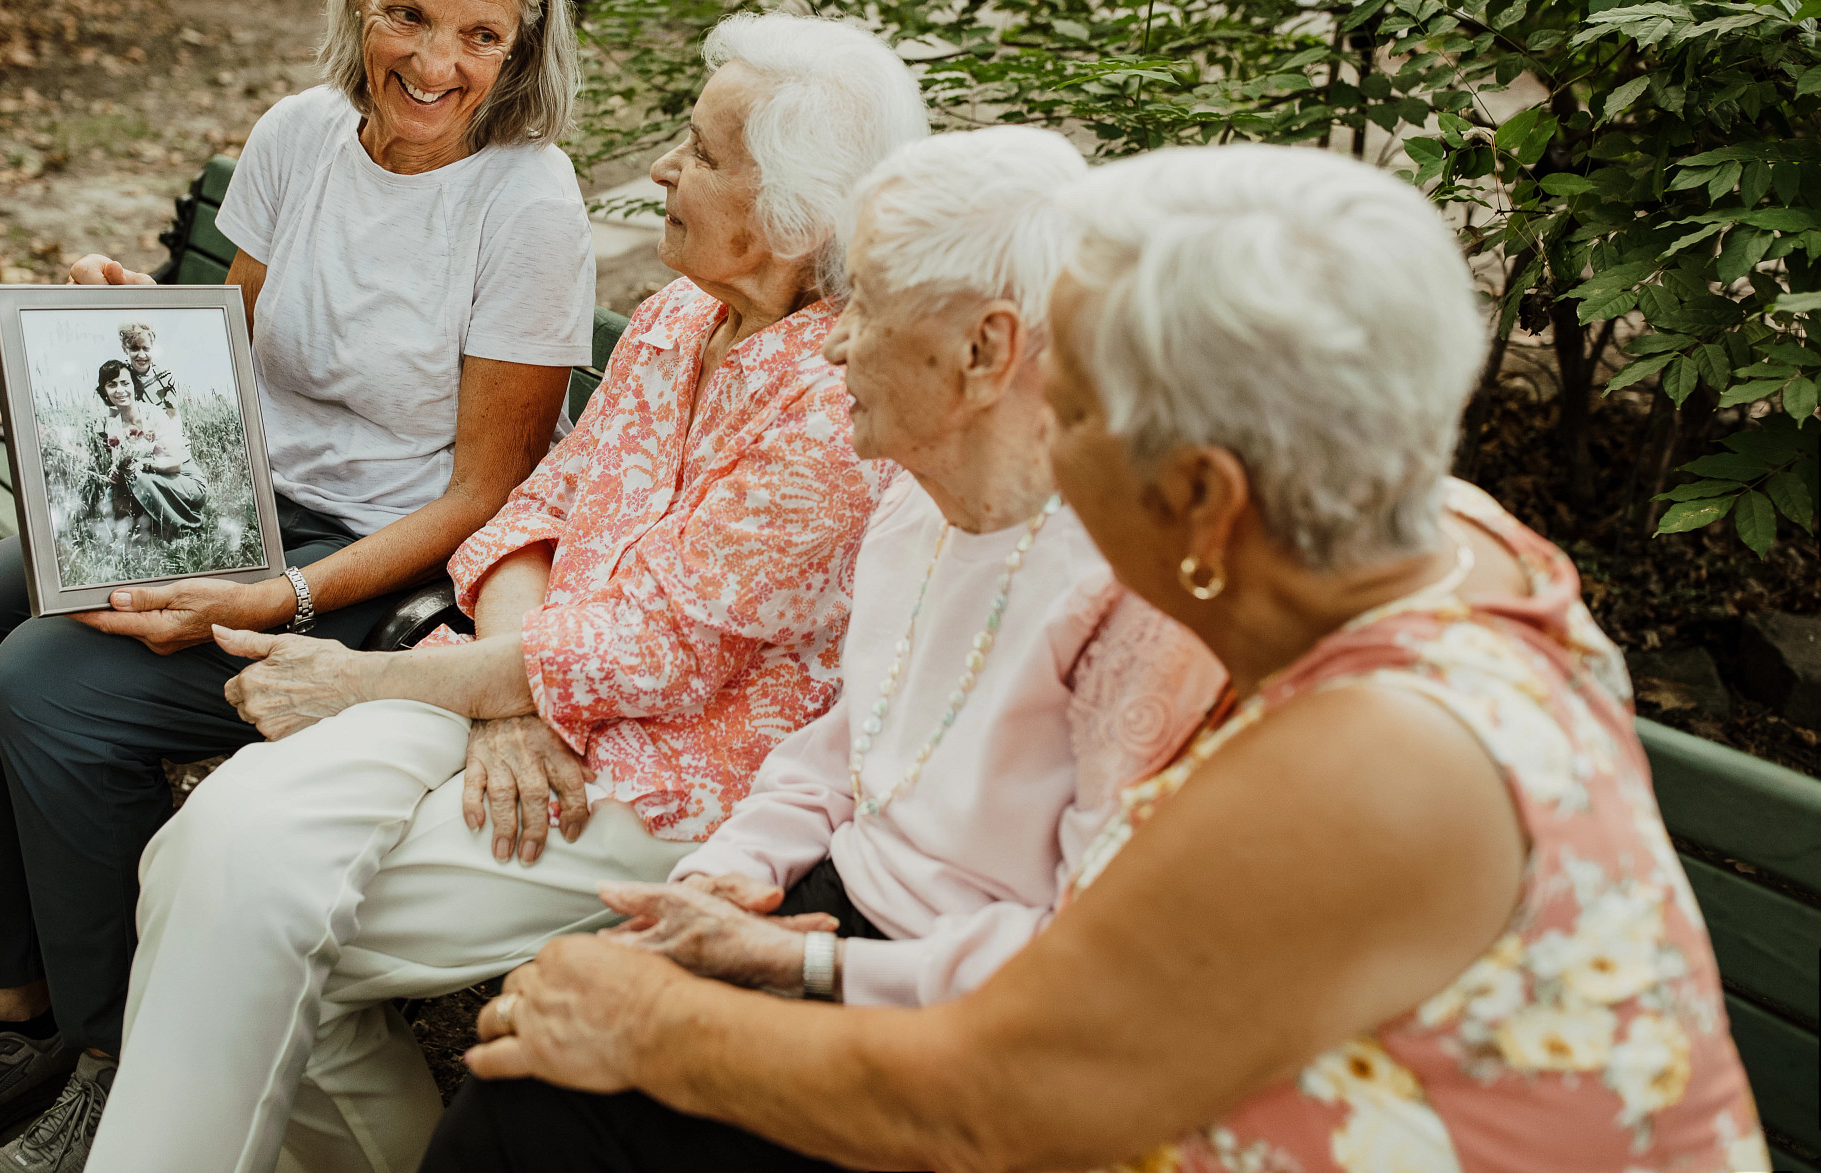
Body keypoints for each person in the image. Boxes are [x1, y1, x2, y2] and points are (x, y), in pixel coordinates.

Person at [431, 144, 1769, 1173]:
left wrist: (643, 1023)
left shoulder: (1389, 756)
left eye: (1068, 410)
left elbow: (993, 1096)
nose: (1039, 446)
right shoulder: (1425, 537)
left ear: (1201, 496)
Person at [0, 0, 594, 1173]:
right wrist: (132, 312)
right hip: (232, 496)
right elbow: (226, 349)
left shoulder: (524, 201)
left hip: (380, 564)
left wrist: (280, 597)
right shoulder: (302, 133)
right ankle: (12, 1020)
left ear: (522, 42)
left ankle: (123, 1065)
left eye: (481, 33)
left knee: (50, 689)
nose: (436, 62)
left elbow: (489, 494)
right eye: (408, 15)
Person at [81, 11, 931, 1173]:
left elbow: (657, 654)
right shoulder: (685, 314)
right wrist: (515, 694)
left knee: (244, 926)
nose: (659, 170)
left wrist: (362, 684)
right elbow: (539, 509)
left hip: (670, 769)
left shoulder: (835, 402)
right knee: (202, 857)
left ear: (792, 215)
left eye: (699, 153)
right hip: (508, 682)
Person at [433, 126, 1229, 1171]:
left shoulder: (1132, 592)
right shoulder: (912, 503)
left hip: (959, 1018)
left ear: (985, 352)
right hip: (820, 909)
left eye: (869, 309)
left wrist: (808, 973)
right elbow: (835, 749)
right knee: (522, 1069)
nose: (830, 343)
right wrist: (722, 881)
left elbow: (1089, 960)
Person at [97, 360, 207, 543]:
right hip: (155, 482)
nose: (120, 390)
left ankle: (188, 530)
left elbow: (176, 463)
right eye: (112, 385)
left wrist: (143, 465)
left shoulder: (153, 414)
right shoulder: (114, 425)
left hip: (186, 483)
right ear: (105, 392)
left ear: (134, 385)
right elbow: (118, 463)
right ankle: (130, 536)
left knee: (138, 476)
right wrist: (115, 472)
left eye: (125, 383)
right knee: (114, 490)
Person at [116, 323, 177, 415]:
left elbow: (173, 416)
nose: (141, 355)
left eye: (146, 349)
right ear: (125, 349)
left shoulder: (164, 375)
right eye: (134, 349)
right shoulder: (120, 377)